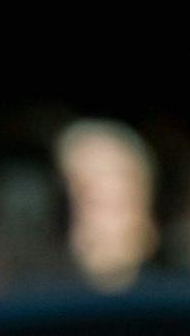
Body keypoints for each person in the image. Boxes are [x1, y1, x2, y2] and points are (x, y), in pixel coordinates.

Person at [54, 119, 161, 292]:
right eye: (63, 201)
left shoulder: (189, 311)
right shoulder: (13, 307)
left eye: (99, 201)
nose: (78, 217)